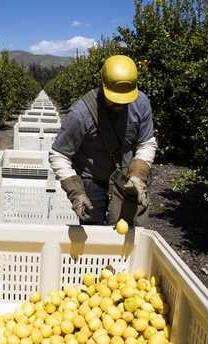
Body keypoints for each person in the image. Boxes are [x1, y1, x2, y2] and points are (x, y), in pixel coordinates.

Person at [49, 55, 157, 226]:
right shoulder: (80, 114)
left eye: (125, 100)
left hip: (126, 177)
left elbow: (146, 143)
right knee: (94, 234)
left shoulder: (141, 103)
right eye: (114, 100)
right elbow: (59, 155)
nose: (120, 105)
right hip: (92, 178)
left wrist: (138, 175)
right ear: (101, 84)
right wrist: (75, 192)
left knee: (128, 231)